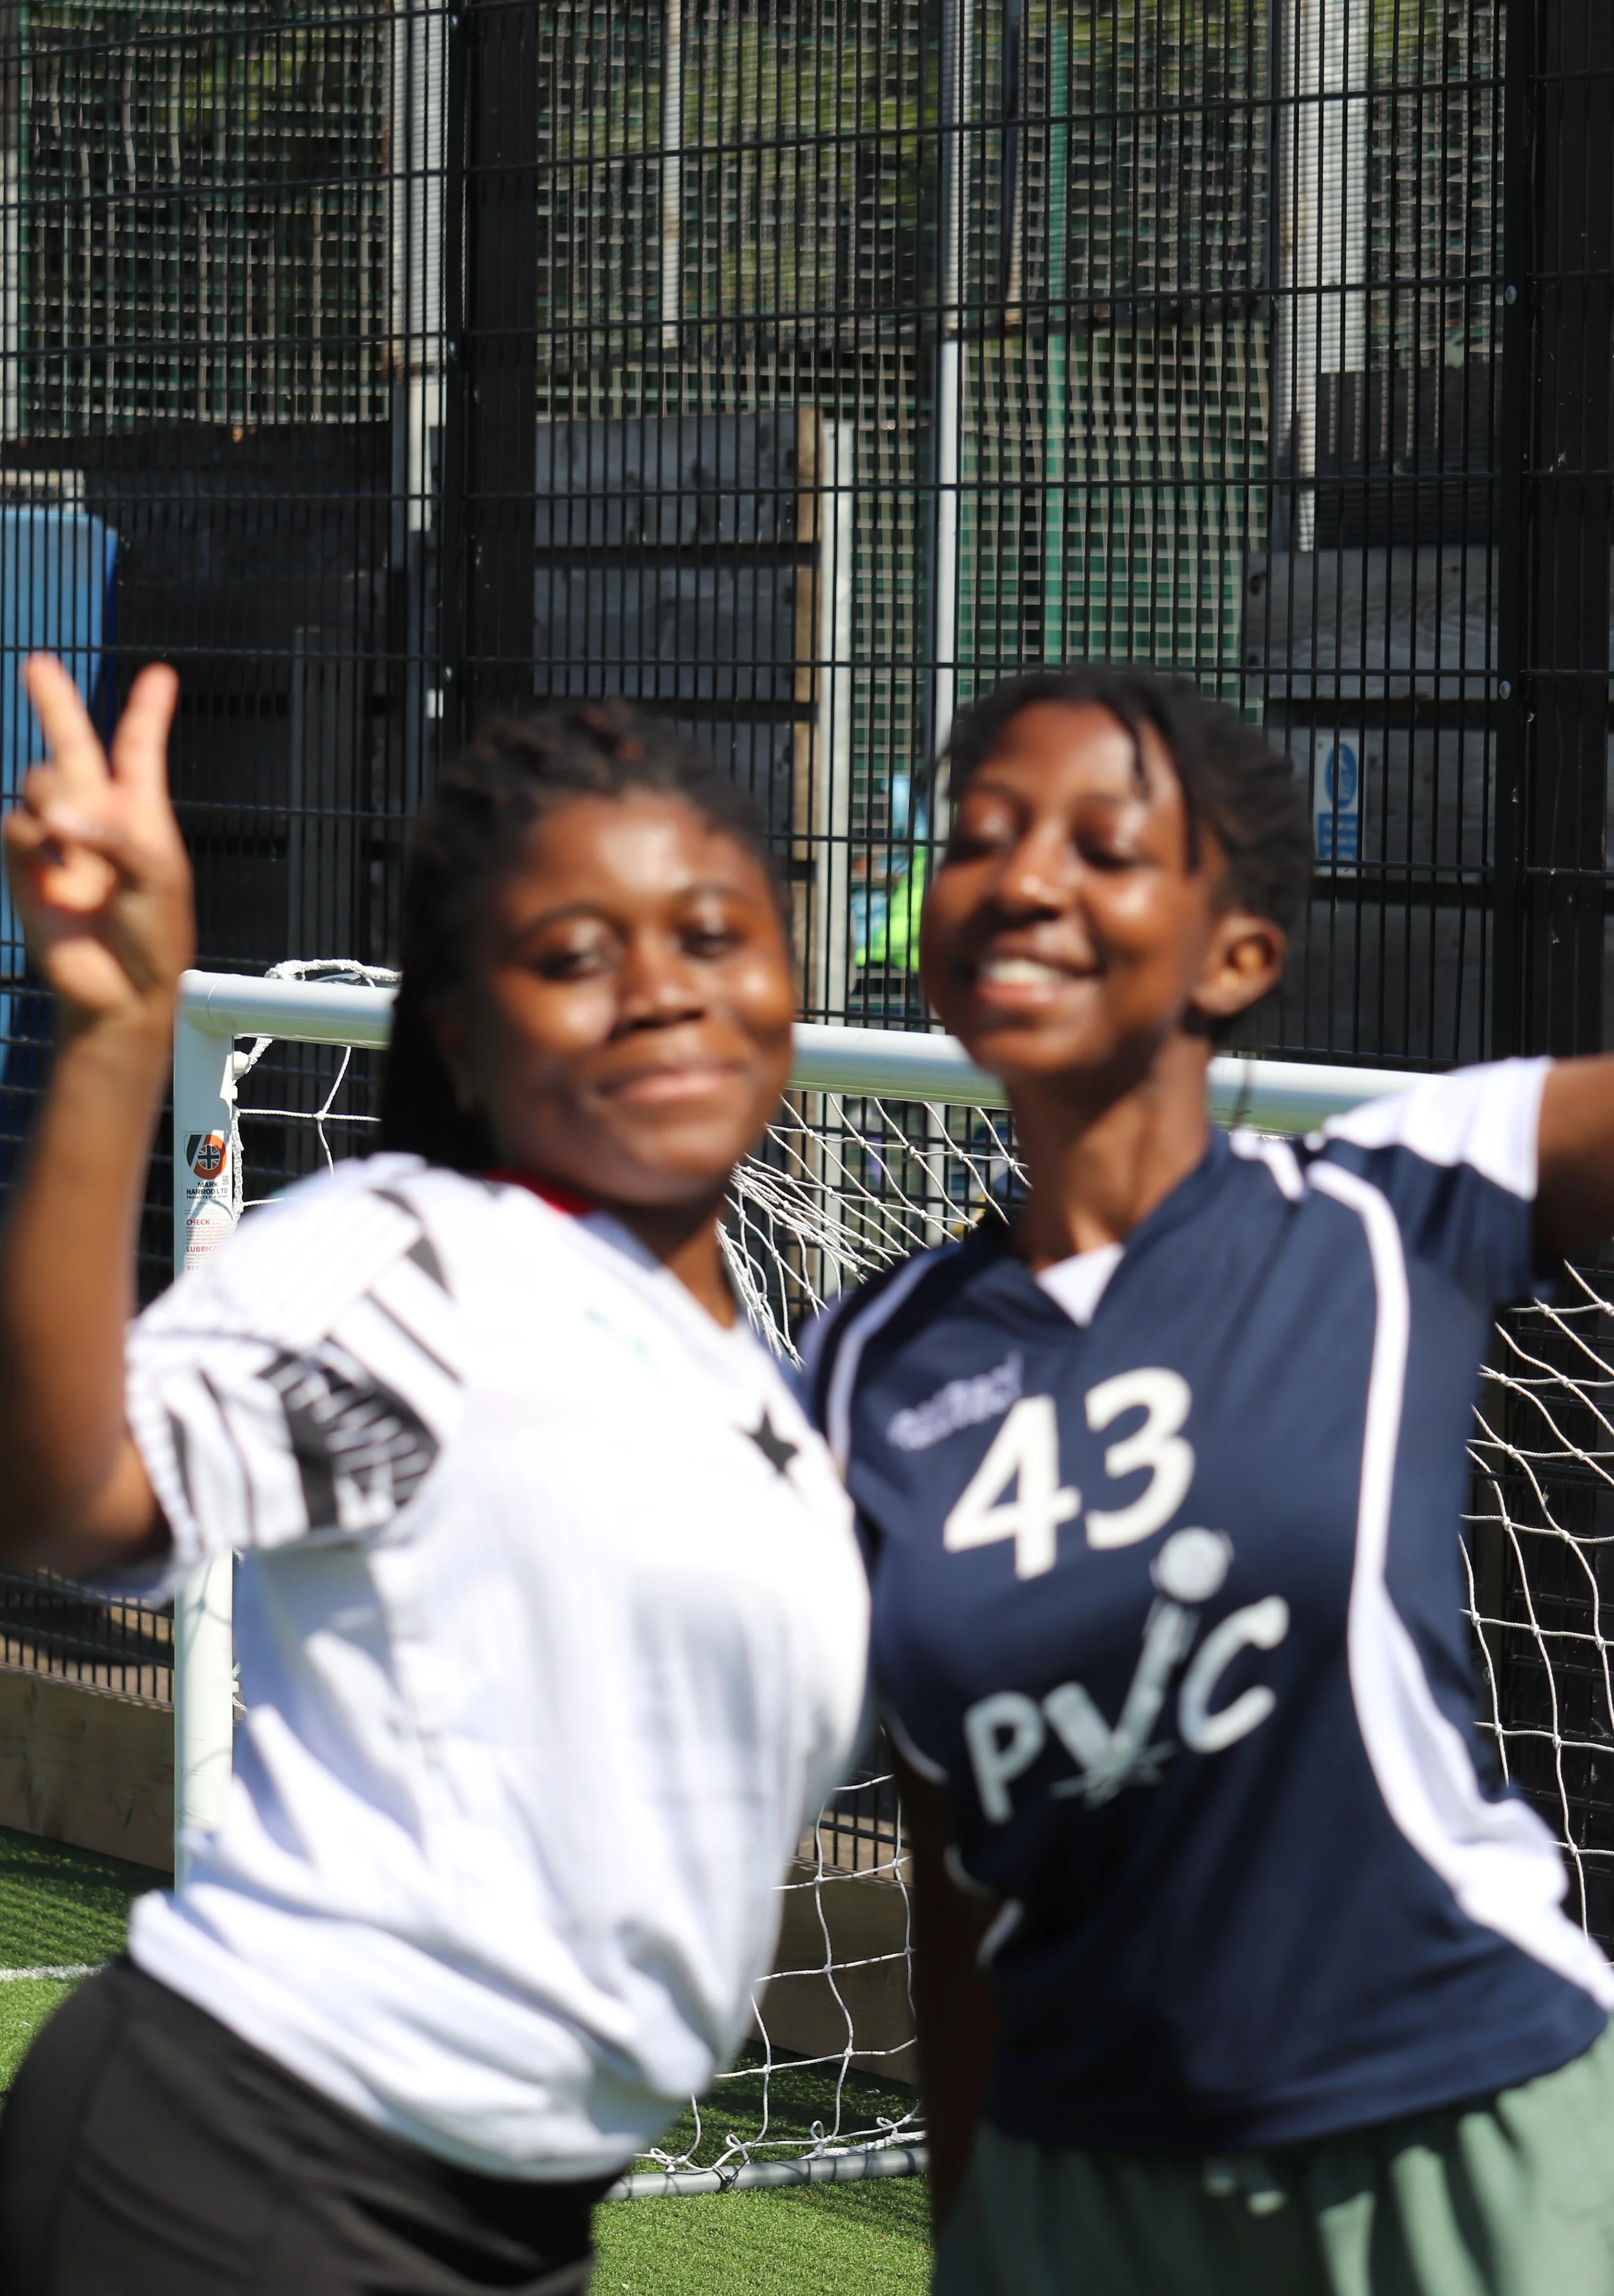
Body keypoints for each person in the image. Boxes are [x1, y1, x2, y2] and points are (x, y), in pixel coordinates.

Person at [0, 655, 869, 2296]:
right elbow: (71, 1498)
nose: (660, 988)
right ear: (463, 1029)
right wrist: (118, 1033)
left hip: (503, 2220)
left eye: (709, 934)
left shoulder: (752, 1389)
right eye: (571, 956)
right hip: (243, 2174)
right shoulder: (414, 1262)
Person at [810, 663, 1614, 2296]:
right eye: (978, 836)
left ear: (1234, 950)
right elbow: (961, 1881)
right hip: (1073, 2192)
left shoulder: (1389, 1209)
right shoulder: (862, 1371)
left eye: (1100, 846)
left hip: (1456, 2138)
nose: (1021, 877)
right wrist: (974, 2244)